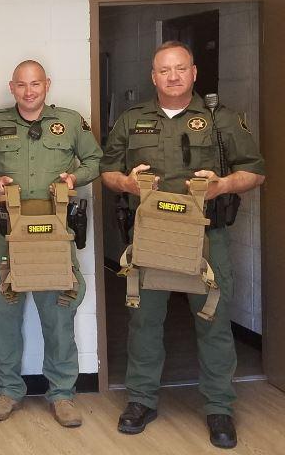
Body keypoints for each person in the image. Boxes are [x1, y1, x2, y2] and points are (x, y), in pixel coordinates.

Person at [100, 41, 265, 449]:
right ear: (153, 76)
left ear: (193, 72)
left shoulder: (221, 120)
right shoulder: (132, 119)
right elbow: (107, 171)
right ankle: (141, 400)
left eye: (180, 69)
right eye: (163, 70)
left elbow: (255, 172)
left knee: (212, 320)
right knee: (145, 322)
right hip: (151, 235)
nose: (172, 76)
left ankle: (219, 407)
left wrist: (223, 185)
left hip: (206, 236)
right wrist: (125, 181)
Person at [0, 60, 102, 426]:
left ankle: (62, 393)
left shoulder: (72, 122)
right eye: (21, 85)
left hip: (54, 231)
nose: (29, 92)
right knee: (4, 312)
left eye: (36, 84)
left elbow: (95, 159)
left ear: (47, 84)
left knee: (59, 311)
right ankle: (8, 390)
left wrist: (75, 177)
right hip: (6, 234)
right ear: (11, 87)